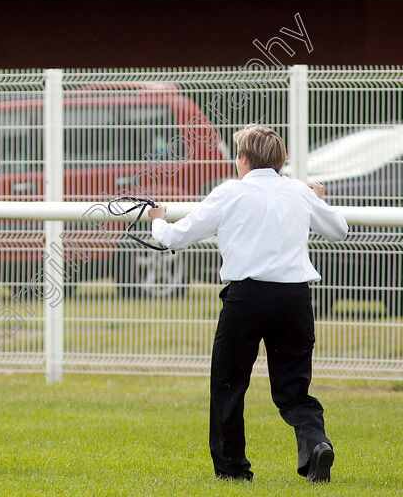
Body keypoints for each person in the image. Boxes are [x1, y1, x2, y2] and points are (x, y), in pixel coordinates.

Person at [147, 124, 348, 483]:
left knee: (229, 384)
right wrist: (318, 199)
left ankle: (233, 470)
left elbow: (177, 237)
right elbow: (338, 230)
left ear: (243, 159)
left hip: (246, 298)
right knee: (293, 389)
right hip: (294, 298)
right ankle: (316, 444)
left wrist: (158, 223)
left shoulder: (230, 192)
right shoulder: (299, 192)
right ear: (279, 160)